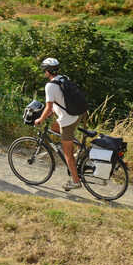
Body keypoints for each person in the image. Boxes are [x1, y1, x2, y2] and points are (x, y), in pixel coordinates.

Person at [34, 57, 85, 191]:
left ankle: (75, 181)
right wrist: (52, 113)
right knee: (54, 127)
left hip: (67, 120)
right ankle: (77, 149)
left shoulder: (50, 86)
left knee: (67, 153)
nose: (43, 72)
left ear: (47, 71)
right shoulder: (63, 78)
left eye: (44, 70)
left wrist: (40, 119)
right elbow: (61, 100)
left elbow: (49, 107)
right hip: (76, 115)